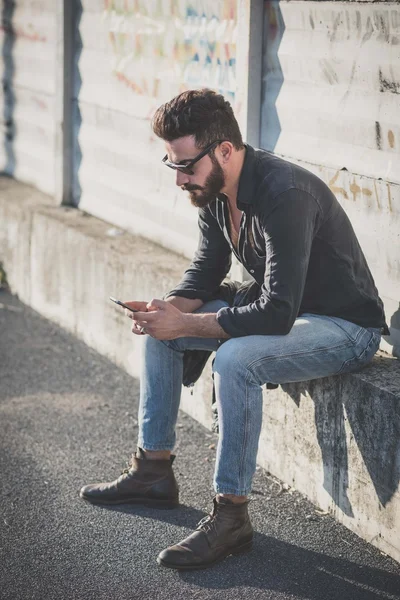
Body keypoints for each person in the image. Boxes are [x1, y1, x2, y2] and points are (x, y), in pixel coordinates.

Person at [80, 88, 389, 570]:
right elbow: (205, 270)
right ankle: (152, 470)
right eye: (172, 165)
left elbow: (276, 314)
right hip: (286, 314)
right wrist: (168, 312)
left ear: (225, 149)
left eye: (187, 165)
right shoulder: (215, 190)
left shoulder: (284, 193)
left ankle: (232, 517)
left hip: (343, 327)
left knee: (235, 358)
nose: (180, 178)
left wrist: (188, 320)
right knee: (165, 331)